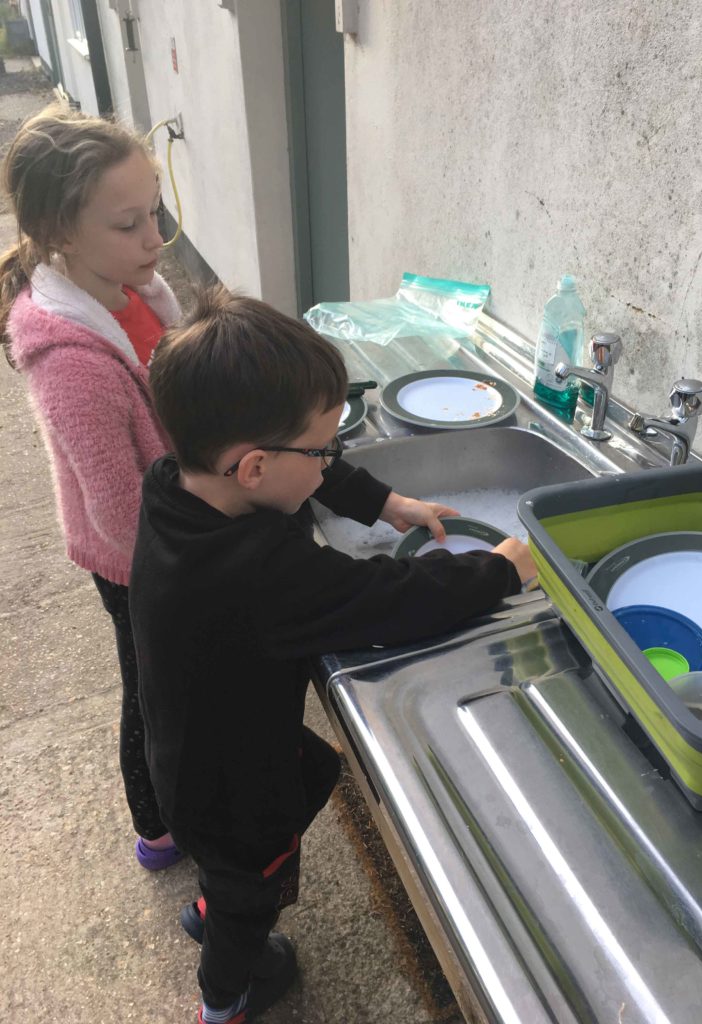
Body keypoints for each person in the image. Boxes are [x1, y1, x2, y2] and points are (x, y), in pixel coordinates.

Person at [130, 286, 538, 1023]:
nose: (331, 460)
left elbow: (314, 474)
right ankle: (224, 994)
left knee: (231, 878)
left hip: (189, 752)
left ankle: (211, 905)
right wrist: (504, 568)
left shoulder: (177, 485)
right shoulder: (256, 575)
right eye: (323, 447)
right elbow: (390, 597)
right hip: (231, 791)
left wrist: (390, 504)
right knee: (252, 891)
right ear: (252, 467)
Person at [0, 105, 185, 870]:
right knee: (147, 690)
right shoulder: (69, 363)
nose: (155, 239)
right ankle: (157, 828)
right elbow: (120, 511)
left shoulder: (131, 287)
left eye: (156, 213)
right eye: (128, 223)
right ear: (62, 233)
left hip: (177, 528)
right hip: (137, 557)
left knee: (168, 681)